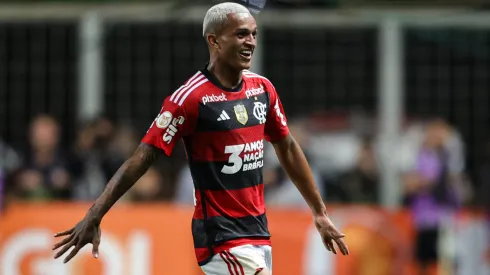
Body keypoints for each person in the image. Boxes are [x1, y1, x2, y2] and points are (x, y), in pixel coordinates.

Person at [52, 2, 349, 274]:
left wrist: (319, 212)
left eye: (253, 34)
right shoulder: (189, 99)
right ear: (214, 40)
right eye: (241, 34)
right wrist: (95, 214)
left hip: (257, 231)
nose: (251, 42)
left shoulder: (262, 90)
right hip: (219, 235)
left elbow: (287, 146)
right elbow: (142, 158)